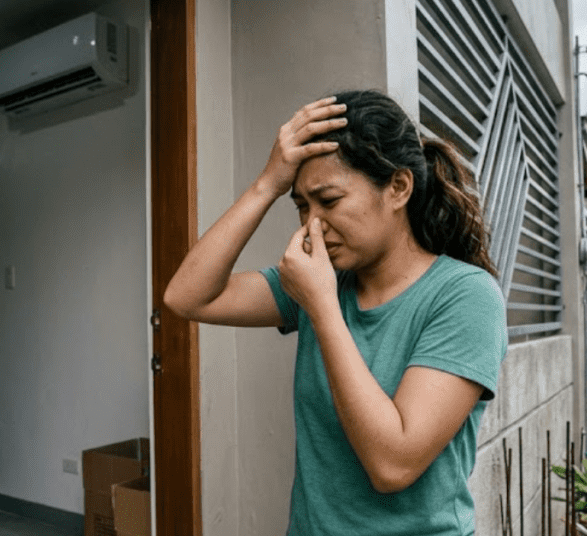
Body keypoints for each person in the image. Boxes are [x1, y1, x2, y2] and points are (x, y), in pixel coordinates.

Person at [163, 90, 508, 535]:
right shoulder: (325, 283)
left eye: (329, 201)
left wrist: (323, 307)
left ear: (398, 188)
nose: (313, 226)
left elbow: (392, 464)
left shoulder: (465, 296)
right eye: (302, 207)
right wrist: (267, 183)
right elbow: (187, 296)